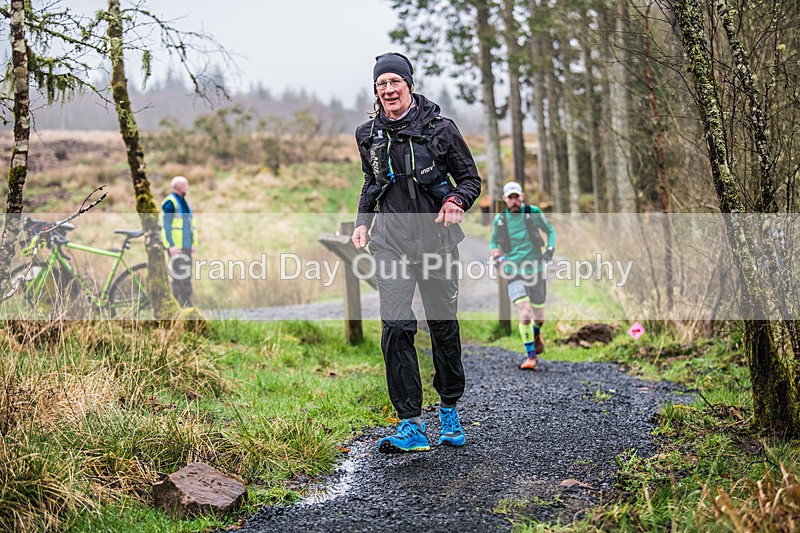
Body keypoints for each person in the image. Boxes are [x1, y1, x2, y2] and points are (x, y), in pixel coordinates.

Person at [351, 52, 481, 453]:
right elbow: (372, 183)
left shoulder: (441, 130)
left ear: (409, 84)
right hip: (390, 243)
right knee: (396, 327)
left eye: (395, 82)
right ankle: (410, 423)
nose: (388, 90)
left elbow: (470, 179)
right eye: (381, 84)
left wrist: (457, 200)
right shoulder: (367, 134)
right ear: (376, 91)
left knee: (442, 326)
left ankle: (448, 410)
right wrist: (361, 220)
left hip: (436, 243)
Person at [490, 181, 556, 371]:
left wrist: (550, 249)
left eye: (516, 196)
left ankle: (536, 334)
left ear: (522, 196)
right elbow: (493, 241)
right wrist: (495, 254)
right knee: (525, 314)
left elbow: (550, 230)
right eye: (510, 197)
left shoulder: (532, 212)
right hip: (512, 271)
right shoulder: (500, 220)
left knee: (539, 318)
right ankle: (531, 357)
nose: (514, 201)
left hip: (535, 269)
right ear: (505, 199)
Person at [161, 175, 197, 307]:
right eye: (186, 185)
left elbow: (188, 224)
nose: (187, 187)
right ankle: (178, 303)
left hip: (186, 245)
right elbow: (166, 226)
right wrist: (171, 246)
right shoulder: (171, 202)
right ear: (179, 186)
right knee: (177, 276)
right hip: (176, 247)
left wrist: (192, 244)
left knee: (186, 275)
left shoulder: (183, 201)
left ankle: (187, 302)